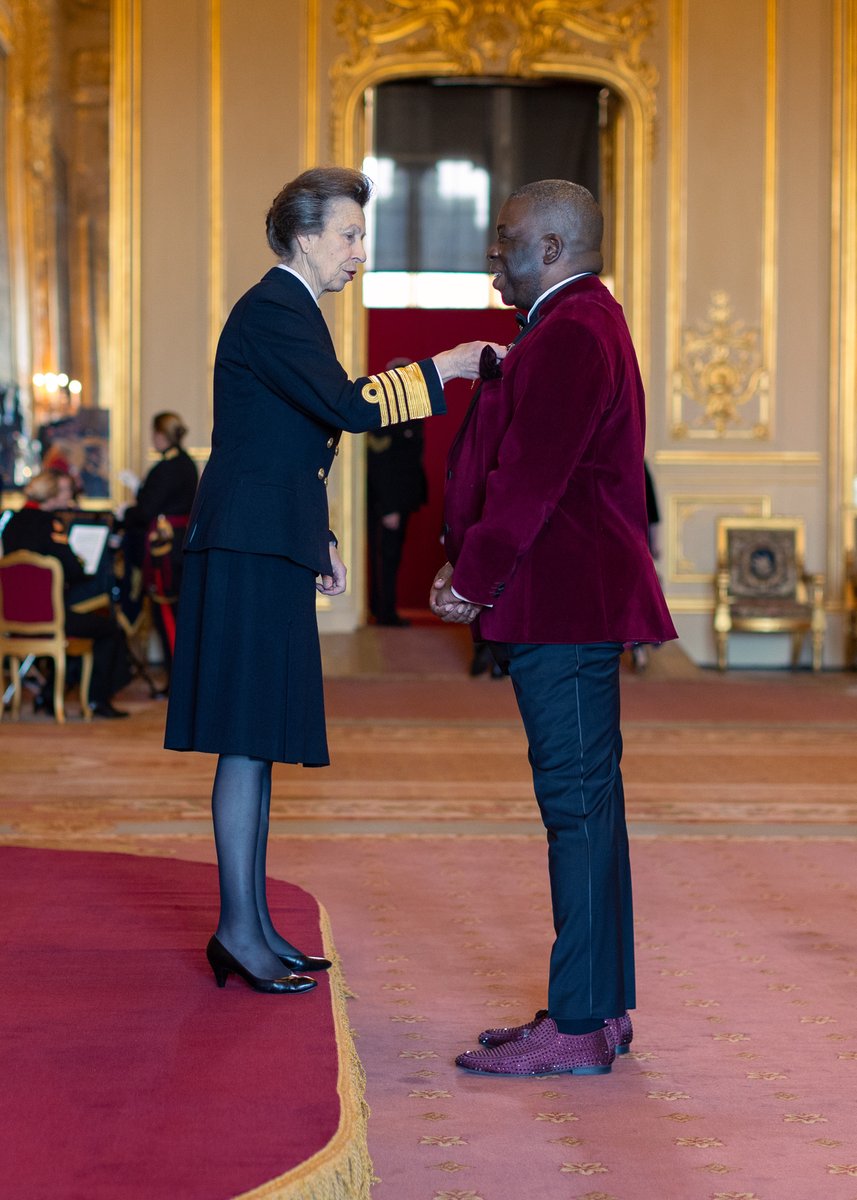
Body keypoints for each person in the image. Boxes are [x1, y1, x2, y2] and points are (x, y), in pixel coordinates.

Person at [164, 166, 505, 995]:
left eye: (360, 235)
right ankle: (237, 930)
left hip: (266, 538)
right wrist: (447, 365)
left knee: (257, 740)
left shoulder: (292, 311)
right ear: (303, 235)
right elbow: (347, 408)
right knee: (246, 738)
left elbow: (282, 437)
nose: (359, 251)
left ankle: (250, 926)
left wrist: (317, 533)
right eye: (349, 235)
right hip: (245, 546)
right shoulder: (274, 308)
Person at [430, 179, 677, 1076]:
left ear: (550, 248)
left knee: (575, 813)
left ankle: (577, 1023)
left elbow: (532, 479)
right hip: (570, 605)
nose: (492, 255)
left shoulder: (571, 329)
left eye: (505, 239)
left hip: (563, 609)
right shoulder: (574, 322)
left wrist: (472, 578)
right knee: (589, 811)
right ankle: (599, 1010)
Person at [2, 471, 132, 717]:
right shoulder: (50, 525)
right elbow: (73, 570)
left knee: (77, 627)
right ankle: (96, 700)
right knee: (108, 629)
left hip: (13, 618)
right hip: (49, 616)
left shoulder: (11, 523)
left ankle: (49, 694)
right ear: (52, 496)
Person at [117, 412, 199, 678]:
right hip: (180, 542)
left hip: (163, 547)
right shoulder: (187, 463)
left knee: (166, 611)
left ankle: (177, 677)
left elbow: (146, 510)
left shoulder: (166, 467)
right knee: (176, 612)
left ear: (161, 435)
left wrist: (125, 513)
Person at [366, 358, 428, 626]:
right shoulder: (384, 414)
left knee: (392, 555)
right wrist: (389, 506)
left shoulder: (410, 410)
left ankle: (385, 609)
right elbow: (382, 464)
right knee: (386, 556)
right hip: (387, 502)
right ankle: (384, 612)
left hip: (402, 498)